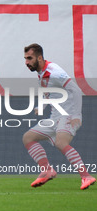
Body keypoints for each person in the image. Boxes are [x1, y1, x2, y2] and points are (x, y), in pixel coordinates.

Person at [23, 43, 96, 190]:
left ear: (39, 57)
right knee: (28, 138)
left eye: (29, 58)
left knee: (61, 143)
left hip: (68, 115)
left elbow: (75, 90)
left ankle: (86, 176)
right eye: (25, 58)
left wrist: (76, 115)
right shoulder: (41, 72)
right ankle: (47, 170)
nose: (26, 62)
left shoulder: (55, 72)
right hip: (55, 117)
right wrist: (41, 106)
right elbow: (47, 90)